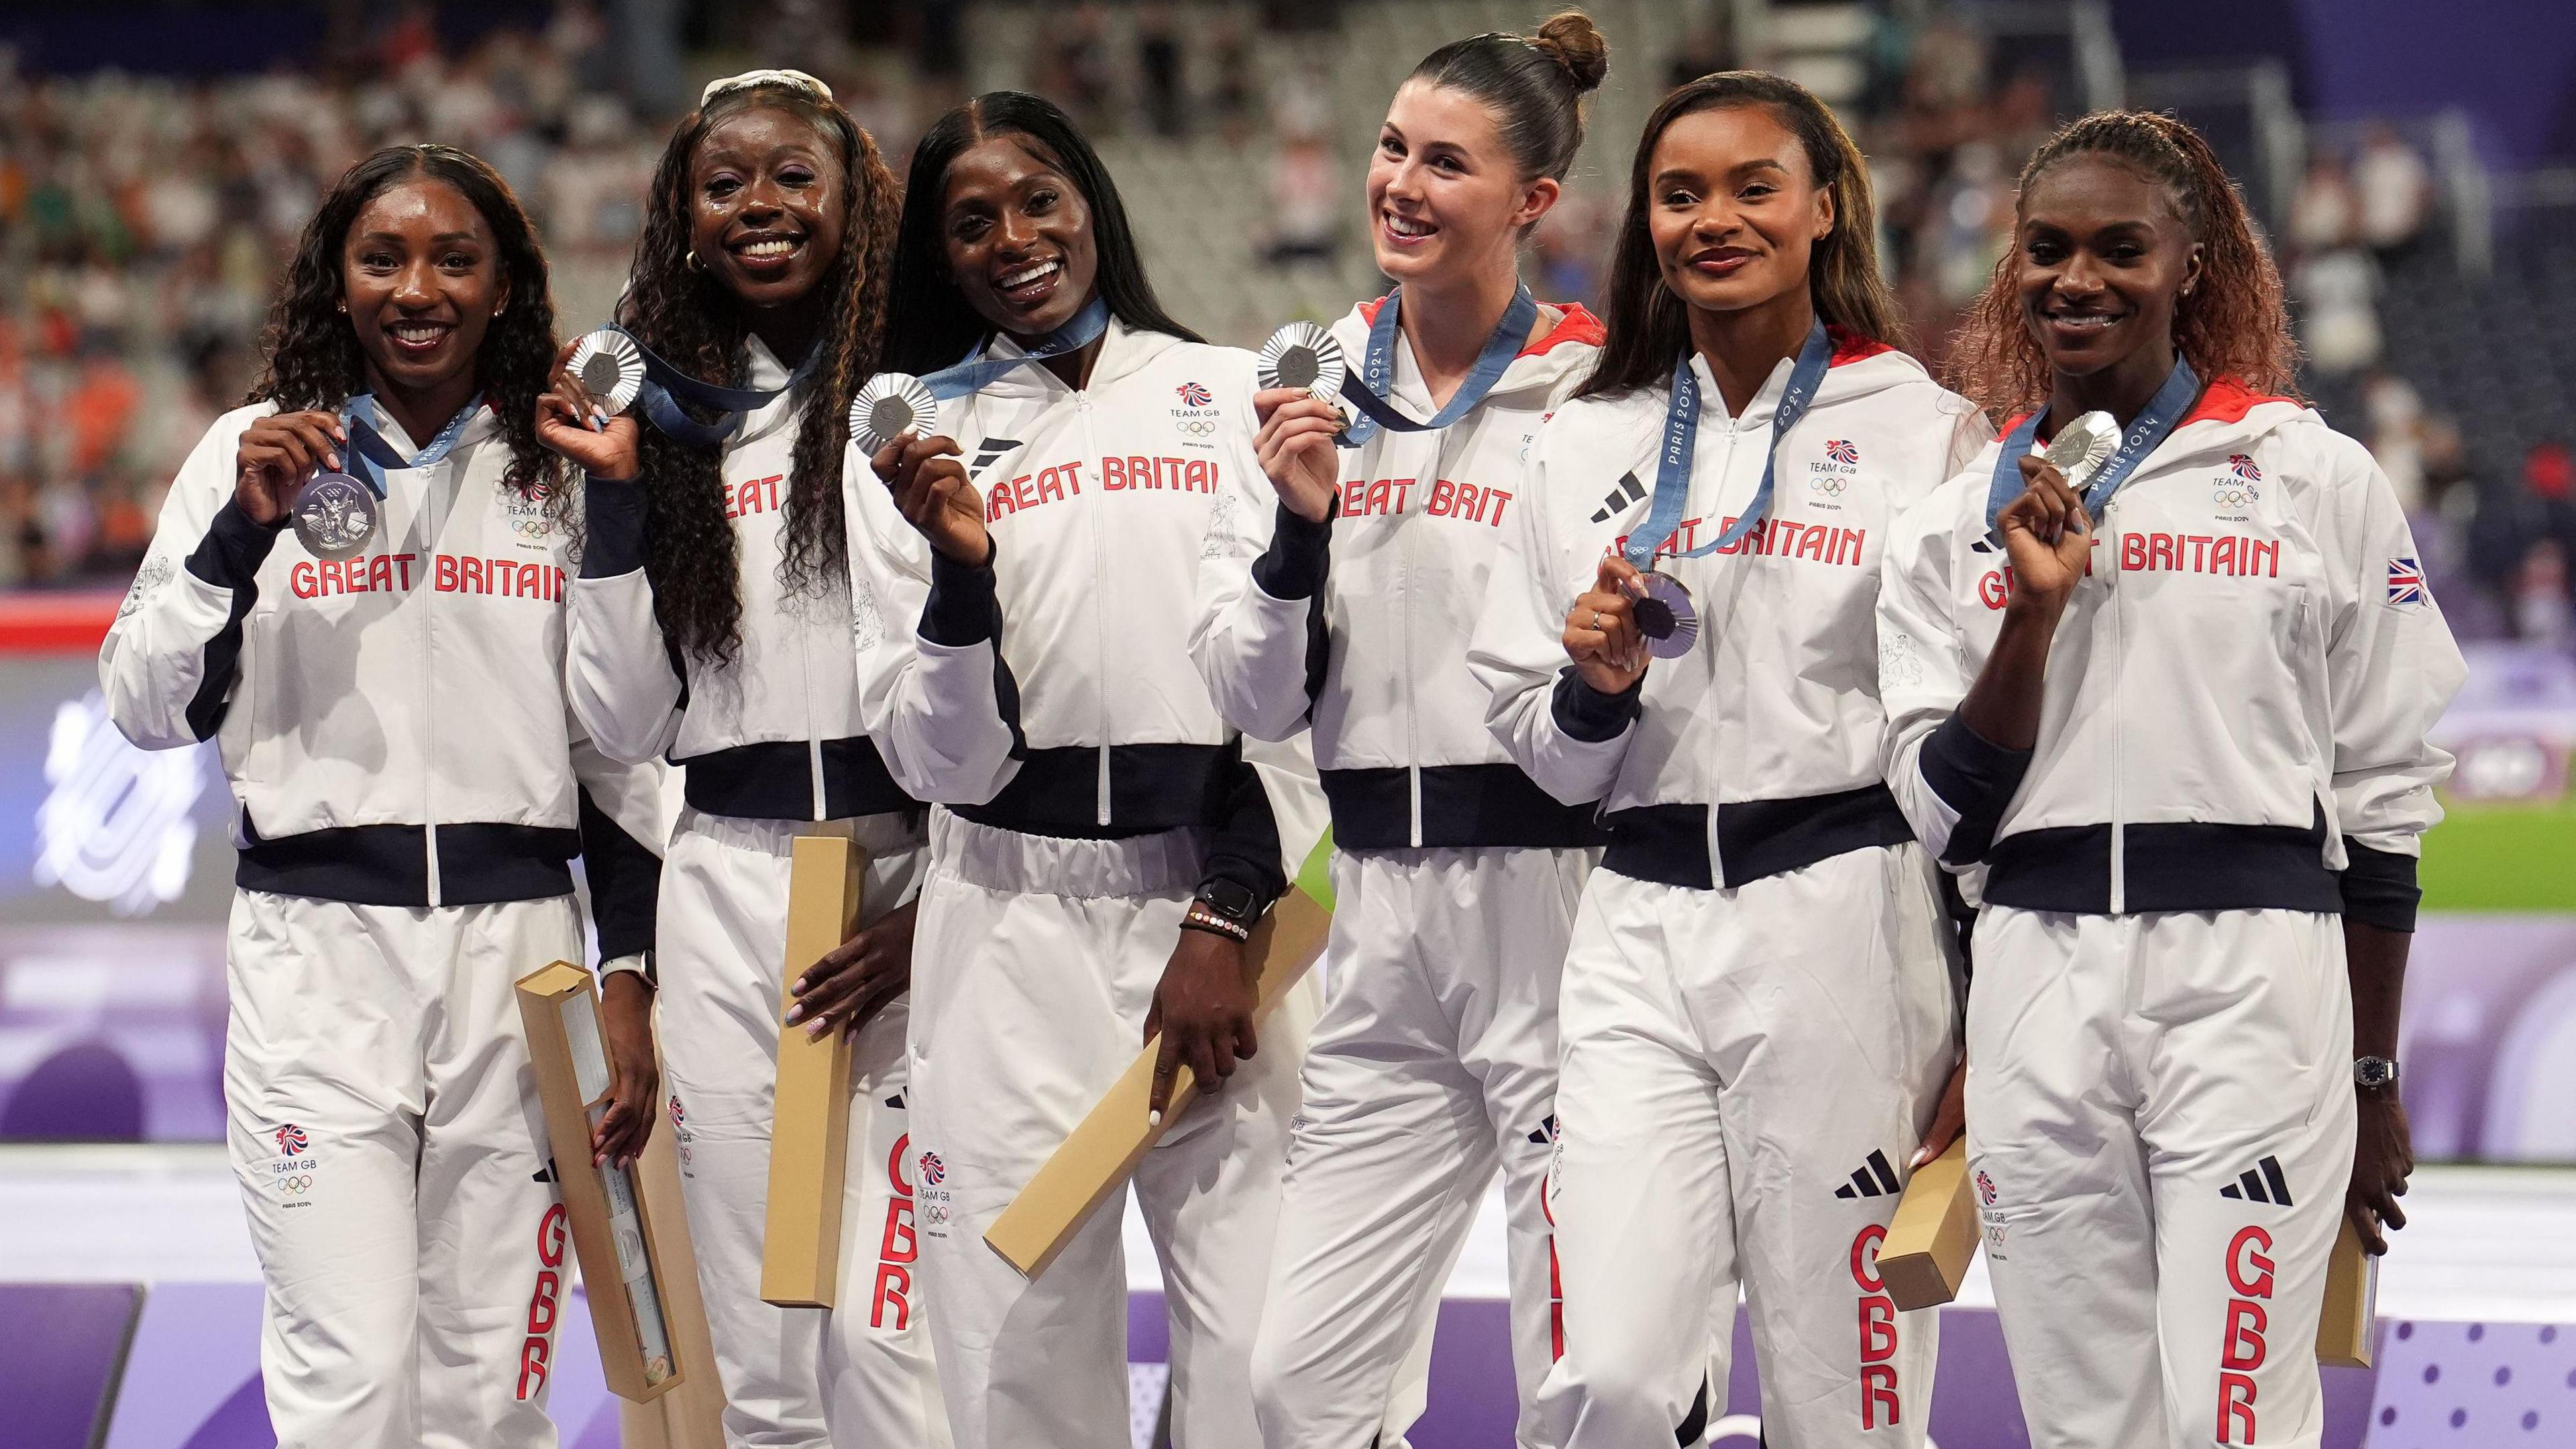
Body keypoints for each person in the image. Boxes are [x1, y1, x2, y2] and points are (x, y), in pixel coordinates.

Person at [1878, 110, 2466, 1448]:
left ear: (2190, 264)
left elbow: (2381, 804)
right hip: (2037, 975)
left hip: (2253, 980)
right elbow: (1944, 814)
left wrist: (2373, 1077)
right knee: (2088, 1425)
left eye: (2119, 248)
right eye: (2049, 248)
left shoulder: (2312, 477)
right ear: (2011, 264)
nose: (2078, 277)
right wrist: (2027, 617)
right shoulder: (1949, 518)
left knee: (2233, 1418)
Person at [99, 144, 665, 1449]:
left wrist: (628, 971)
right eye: (384, 257)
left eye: (454, 259)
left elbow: (624, 753)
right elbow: (143, 704)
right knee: (347, 1380)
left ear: (506, 286)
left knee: (492, 1394)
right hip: (316, 966)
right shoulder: (248, 457)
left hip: (522, 968)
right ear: (336, 282)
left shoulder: (563, 463)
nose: (419, 287)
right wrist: (237, 537)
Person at [1468, 72, 1986, 1446]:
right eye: (1681, 193)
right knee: (1619, 1378)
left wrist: (1989, 999)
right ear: (1645, 221)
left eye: (1755, 186)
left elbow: (1974, 740)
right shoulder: (1582, 437)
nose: (1716, 218)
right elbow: (1546, 754)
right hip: (1632, 923)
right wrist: (1593, 692)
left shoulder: (1926, 429)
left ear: (1826, 208)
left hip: (1842, 927)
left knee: (1850, 1401)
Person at [847, 91, 1324, 1449]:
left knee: (1271, 1362)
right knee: (1019, 1363)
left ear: (1093, 205)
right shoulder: (904, 443)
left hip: (1220, 925)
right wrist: (956, 573)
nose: (1015, 238)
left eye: (1040, 199)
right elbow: (942, 753)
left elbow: (1276, 711)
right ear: (939, 259)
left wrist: (1224, 921)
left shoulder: (1225, 391)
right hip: (1005, 926)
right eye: (972, 221)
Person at [1191, 15, 1610, 1448]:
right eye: (1389, 149)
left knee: (1592, 1373)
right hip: (1374, 912)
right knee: (1298, 1383)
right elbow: (1250, 698)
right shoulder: (1298, 379)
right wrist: (1297, 533)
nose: (1400, 186)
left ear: (1533, 202)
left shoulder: (1605, 392)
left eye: (1446, 163)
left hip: (1566, 900)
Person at [534, 70, 949, 1449]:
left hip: (908, 884)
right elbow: (621, 723)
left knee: (896, 1341)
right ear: (680, 215)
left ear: (856, 202)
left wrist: (933, 906)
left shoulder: (920, 387)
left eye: (793, 179)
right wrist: (608, 508)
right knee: (769, 1354)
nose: (760, 208)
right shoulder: (659, 419)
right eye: (724, 185)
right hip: (728, 888)